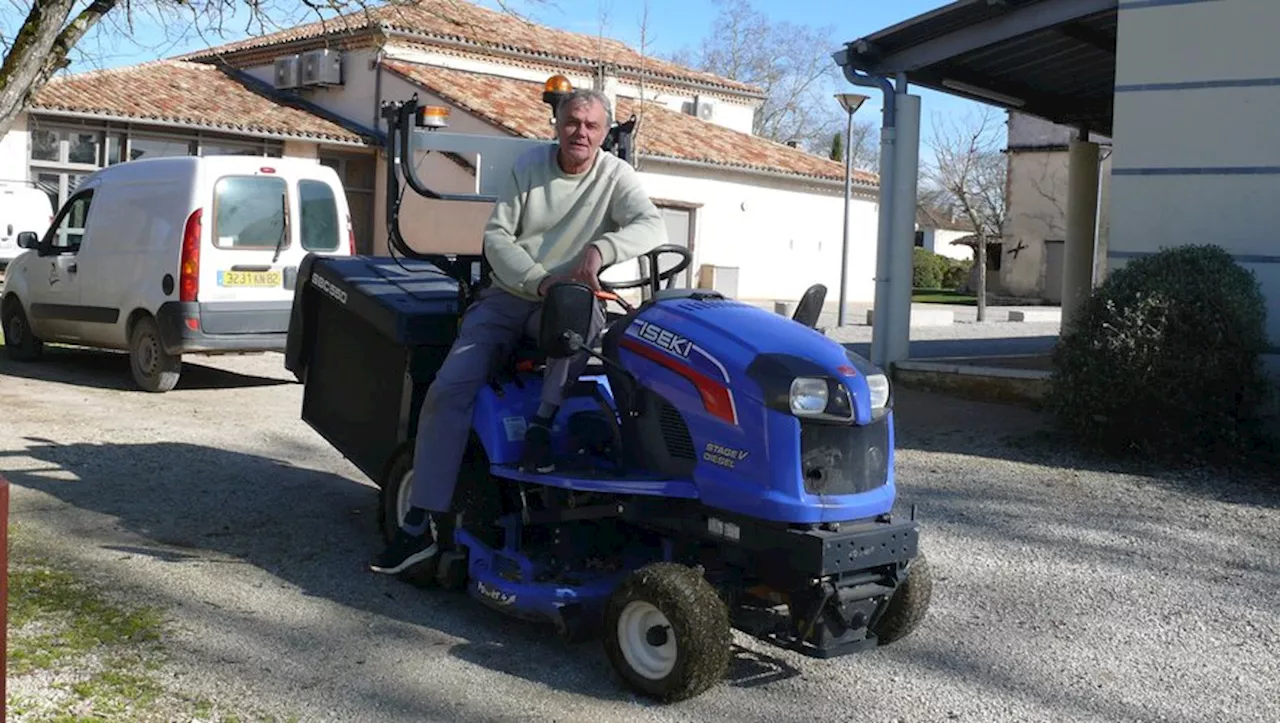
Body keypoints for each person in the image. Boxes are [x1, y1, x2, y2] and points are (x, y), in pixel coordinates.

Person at [370, 88, 667, 575]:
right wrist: (540, 280)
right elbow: (497, 237)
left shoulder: (617, 177)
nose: (581, 133)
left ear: (604, 133)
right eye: (573, 122)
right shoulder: (529, 168)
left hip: (569, 299)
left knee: (591, 322)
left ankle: (542, 429)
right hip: (514, 292)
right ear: (557, 124)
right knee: (450, 388)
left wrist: (599, 252)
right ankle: (418, 523)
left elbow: (651, 225)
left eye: (592, 126)